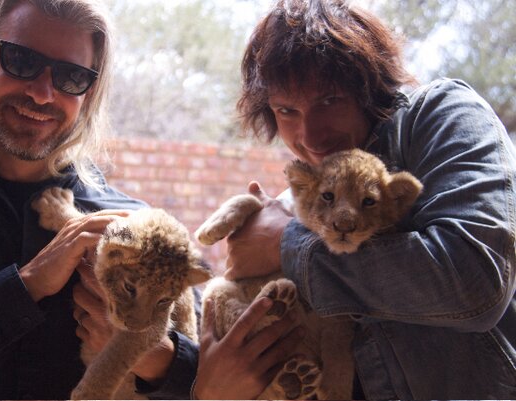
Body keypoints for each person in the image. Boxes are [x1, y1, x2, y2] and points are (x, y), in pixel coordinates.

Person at [198, 0, 516, 399]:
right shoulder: (296, 201)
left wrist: (287, 245)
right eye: (286, 110)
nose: (311, 136)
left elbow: (475, 280)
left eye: (329, 101)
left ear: (368, 85)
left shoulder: (443, 114)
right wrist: (209, 388)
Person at [0, 0, 196, 398]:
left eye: (71, 76)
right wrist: (25, 286)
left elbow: (209, 381)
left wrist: (154, 357)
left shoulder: (134, 225)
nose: (44, 93)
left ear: (89, 90)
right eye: (21, 60)